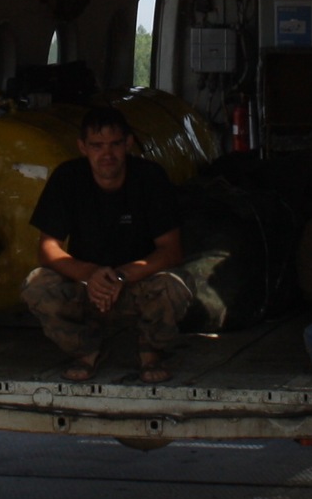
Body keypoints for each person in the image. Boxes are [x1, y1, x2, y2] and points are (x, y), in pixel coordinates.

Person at [23, 105, 189, 384]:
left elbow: (172, 251)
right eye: (97, 146)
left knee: (174, 286)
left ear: (128, 143)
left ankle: (150, 352)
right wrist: (89, 274)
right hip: (87, 288)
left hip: (137, 285)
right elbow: (47, 249)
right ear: (82, 147)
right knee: (37, 285)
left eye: (115, 144)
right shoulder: (68, 178)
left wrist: (121, 276)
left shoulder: (150, 177)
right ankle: (86, 350)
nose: (107, 154)